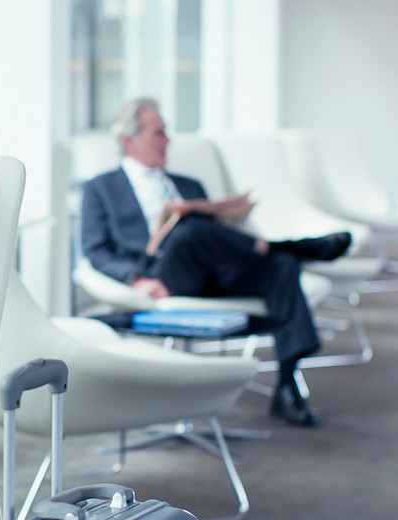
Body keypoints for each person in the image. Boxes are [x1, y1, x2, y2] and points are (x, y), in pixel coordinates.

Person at [80, 98, 352, 428]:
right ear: (129, 141)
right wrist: (136, 278)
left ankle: (287, 384)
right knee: (187, 230)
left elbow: (217, 236)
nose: (168, 140)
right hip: (166, 275)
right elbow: (95, 250)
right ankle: (291, 247)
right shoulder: (100, 188)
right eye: (159, 133)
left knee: (281, 267)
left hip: (218, 271)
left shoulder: (187, 184)